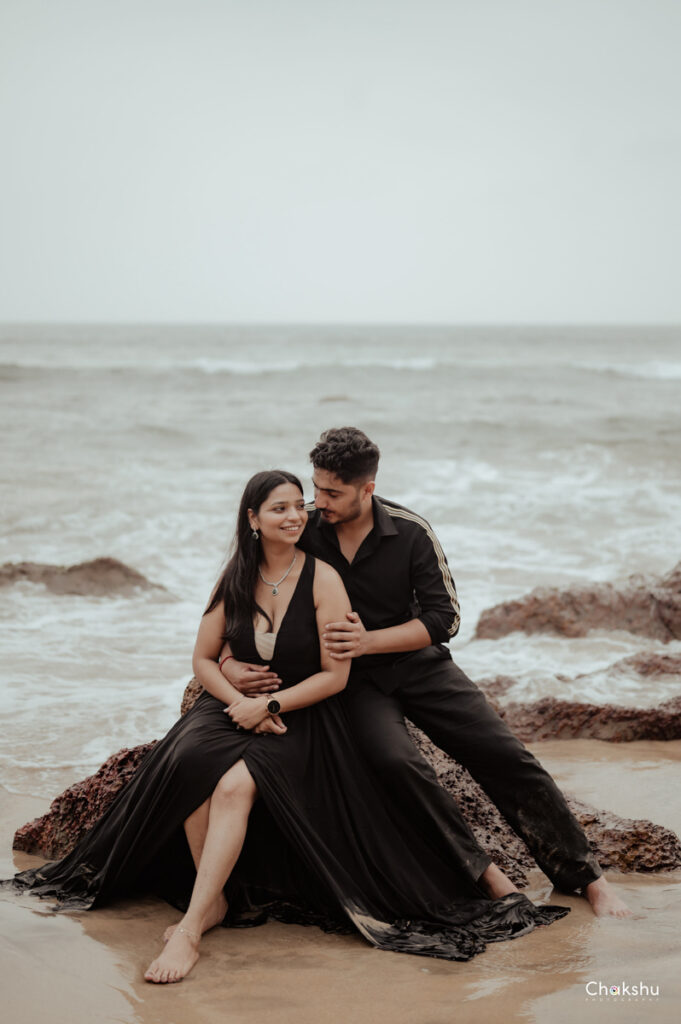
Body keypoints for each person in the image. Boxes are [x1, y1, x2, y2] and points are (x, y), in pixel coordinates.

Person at [3, 470, 570, 985]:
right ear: (252, 520)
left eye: (300, 506)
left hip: (302, 712)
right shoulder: (237, 575)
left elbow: (337, 676)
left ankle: (194, 927)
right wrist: (233, 698)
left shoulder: (323, 578)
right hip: (230, 707)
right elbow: (202, 657)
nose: (297, 516)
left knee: (233, 785)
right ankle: (215, 900)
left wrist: (269, 709)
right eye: (280, 509)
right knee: (187, 769)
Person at [220, 430, 631, 919]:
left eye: (332, 493)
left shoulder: (411, 532)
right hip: (356, 684)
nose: (317, 502)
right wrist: (227, 658)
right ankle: (483, 874)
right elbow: (247, 591)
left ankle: (587, 879)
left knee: (505, 754)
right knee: (400, 765)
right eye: (316, 488)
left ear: (366, 489)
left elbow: (446, 619)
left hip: (421, 667)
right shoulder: (303, 528)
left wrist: (372, 639)